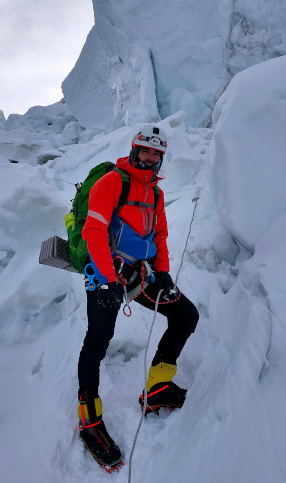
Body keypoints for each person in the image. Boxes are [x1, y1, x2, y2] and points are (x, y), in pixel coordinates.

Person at [77, 125, 199, 470]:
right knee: (98, 338)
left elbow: (159, 234)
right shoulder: (113, 182)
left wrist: (163, 272)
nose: (149, 158)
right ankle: (89, 415)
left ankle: (157, 387)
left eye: (156, 154)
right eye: (145, 151)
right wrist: (106, 281)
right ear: (133, 151)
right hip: (106, 274)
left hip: (141, 274)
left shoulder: (156, 194)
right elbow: (93, 231)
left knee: (185, 316)